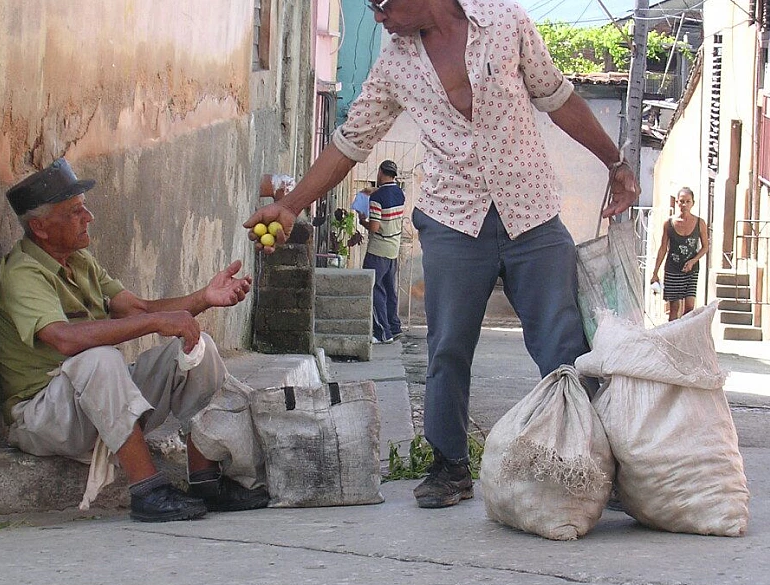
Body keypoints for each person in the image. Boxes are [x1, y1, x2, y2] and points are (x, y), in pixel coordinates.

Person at [243, 0, 639, 509]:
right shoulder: (394, 63)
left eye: (381, 5)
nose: (378, 17)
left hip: (531, 209)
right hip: (453, 218)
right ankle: (449, 465)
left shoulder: (505, 21)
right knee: (448, 346)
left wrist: (615, 162)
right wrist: (291, 205)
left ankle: (595, 463)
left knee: (564, 345)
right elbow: (350, 142)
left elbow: (557, 97)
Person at [0, 158, 268, 522]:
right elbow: (64, 339)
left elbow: (139, 309)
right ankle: (148, 490)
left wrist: (204, 298)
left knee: (200, 350)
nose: (88, 217)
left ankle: (206, 481)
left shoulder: (80, 261)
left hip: (97, 404)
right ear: (40, 228)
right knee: (99, 358)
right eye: (75, 212)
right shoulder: (22, 272)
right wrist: (154, 322)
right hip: (45, 417)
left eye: (84, 207)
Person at [360, 160, 406, 344]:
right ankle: (394, 327)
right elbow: (388, 193)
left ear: (380, 172)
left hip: (378, 249)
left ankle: (382, 333)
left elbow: (374, 227)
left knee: (374, 288)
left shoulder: (377, 198)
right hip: (393, 248)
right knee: (389, 289)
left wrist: (362, 220)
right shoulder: (400, 193)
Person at [650, 187, 709, 320]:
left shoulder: (700, 223)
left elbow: (705, 247)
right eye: (682, 201)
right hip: (673, 269)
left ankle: (684, 331)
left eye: (688, 201)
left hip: (691, 269)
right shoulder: (669, 223)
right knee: (674, 307)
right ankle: (672, 331)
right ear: (677, 202)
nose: (684, 205)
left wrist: (693, 261)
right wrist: (655, 272)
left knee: (690, 306)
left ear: (693, 203)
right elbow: (663, 248)